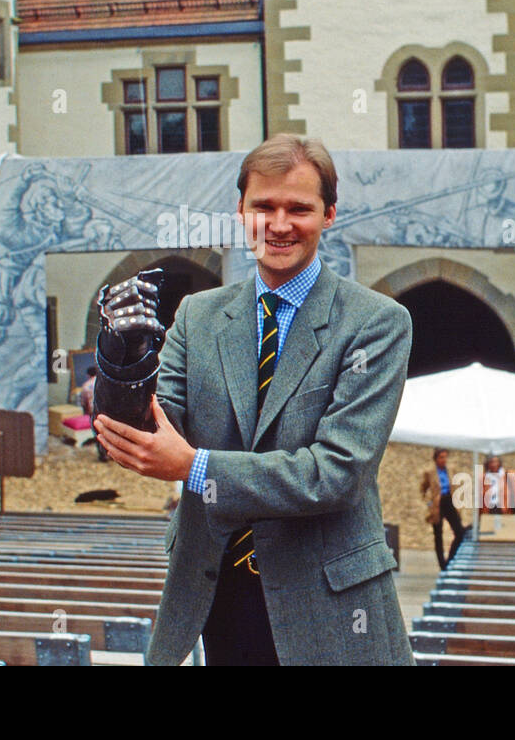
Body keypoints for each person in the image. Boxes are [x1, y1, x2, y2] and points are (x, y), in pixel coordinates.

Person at [94, 134, 415, 666]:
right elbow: (147, 435)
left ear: (329, 214)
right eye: (264, 206)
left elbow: (338, 473)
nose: (280, 223)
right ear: (241, 211)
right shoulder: (199, 316)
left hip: (327, 605)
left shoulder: (376, 323)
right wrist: (122, 356)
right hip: (218, 591)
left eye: (299, 208)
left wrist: (196, 469)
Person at [420, 449, 470, 570]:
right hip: (437, 503)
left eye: (445, 457)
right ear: (436, 459)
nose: (444, 460)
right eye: (441, 457)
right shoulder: (430, 472)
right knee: (438, 535)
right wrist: (429, 502)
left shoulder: (450, 470)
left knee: (459, 532)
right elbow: (423, 489)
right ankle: (442, 565)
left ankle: (450, 559)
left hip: (449, 501)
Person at [77, 366, 107, 461]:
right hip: (107, 412)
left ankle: (103, 455)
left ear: (88, 375)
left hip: (94, 412)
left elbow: (83, 402)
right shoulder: (104, 383)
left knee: (97, 433)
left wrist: (86, 412)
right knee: (109, 432)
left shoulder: (86, 386)